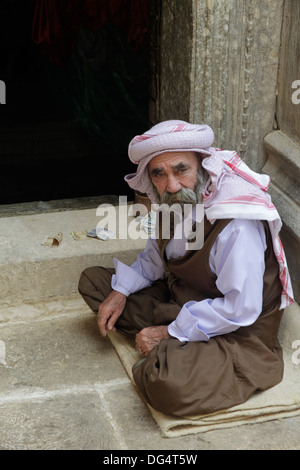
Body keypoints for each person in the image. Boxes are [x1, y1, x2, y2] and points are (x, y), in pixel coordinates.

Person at [78, 120, 294, 417]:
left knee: (166, 384)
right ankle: (178, 347)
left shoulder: (235, 222)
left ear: (203, 166)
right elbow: (155, 261)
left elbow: (240, 309)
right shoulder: (170, 202)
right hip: (183, 301)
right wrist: (121, 291)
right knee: (96, 283)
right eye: (159, 174)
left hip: (239, 333)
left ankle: (178, 352)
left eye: (181, 169)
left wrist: (170, 332)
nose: (172, 185)